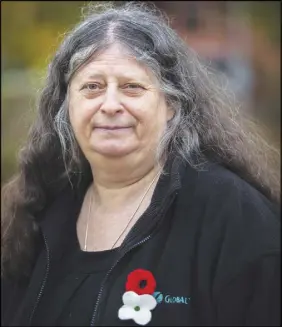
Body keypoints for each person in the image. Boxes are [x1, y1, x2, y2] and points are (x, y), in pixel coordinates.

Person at [1, 2, 280, 326]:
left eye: (132, 87)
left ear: (172, 105)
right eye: (92, 87)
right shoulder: (36, 213)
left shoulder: (236, 217)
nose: (110, 105)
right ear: (66, 106)